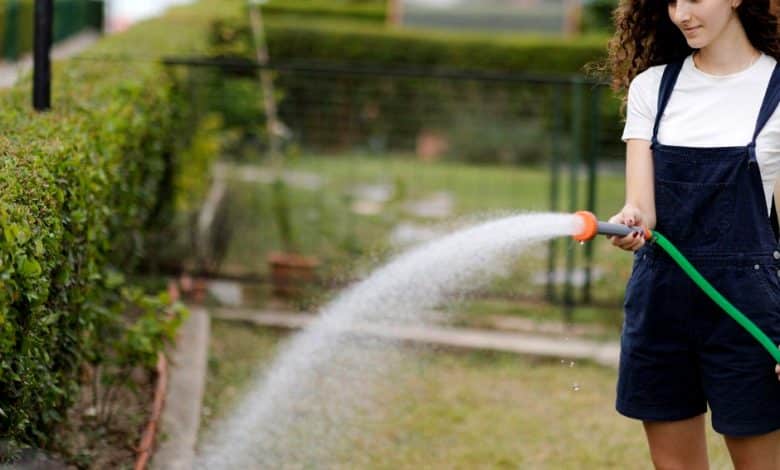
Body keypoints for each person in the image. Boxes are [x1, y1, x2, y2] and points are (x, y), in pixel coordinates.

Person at [605, 0, 780, 468]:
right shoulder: (653, 88)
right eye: (672, 0)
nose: (681, 13)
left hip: (747, 309)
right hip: (660, 303)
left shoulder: (777, 88)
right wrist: (631, 222)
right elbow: (642, 208)